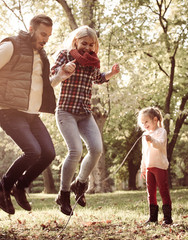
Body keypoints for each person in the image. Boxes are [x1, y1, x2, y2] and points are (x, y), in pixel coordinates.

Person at [0, 14, 61, 214]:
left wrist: (61, 76)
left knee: (49, 153)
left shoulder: (41, 55)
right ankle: (2, 188)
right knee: (33, 151)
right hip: (9, 110)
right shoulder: (11, 45)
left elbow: (41, 86)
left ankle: (20, 187)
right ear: (31, 29)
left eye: (49, 36)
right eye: (43, 34)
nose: (45, 39)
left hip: (31, 114)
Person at [50, 25, 120, 216]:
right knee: (75, 151)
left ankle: (79, 184)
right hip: (66, 112)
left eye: (91, 45)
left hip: (85, 113)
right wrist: (63, 70)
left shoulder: (92, 61)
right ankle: (63, 195)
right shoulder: (65, 55)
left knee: (97, 149)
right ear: (76, 41)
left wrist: (111, 73)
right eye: (84, 43)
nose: (87, 48)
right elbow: (52, 76)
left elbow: (98, 78)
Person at [138, 107, 173, 225]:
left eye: (146, 121)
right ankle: (153, 217)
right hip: (149, 167)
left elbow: (160, 145)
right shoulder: (145, 135)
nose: (144, 125)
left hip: (160, 166)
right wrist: (143, 167)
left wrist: (151, 139)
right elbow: (144, 153)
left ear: (155, 120)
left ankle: (168, 218)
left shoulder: (161, 132)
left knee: (163, 190)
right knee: (150, 192)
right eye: (142, 123)